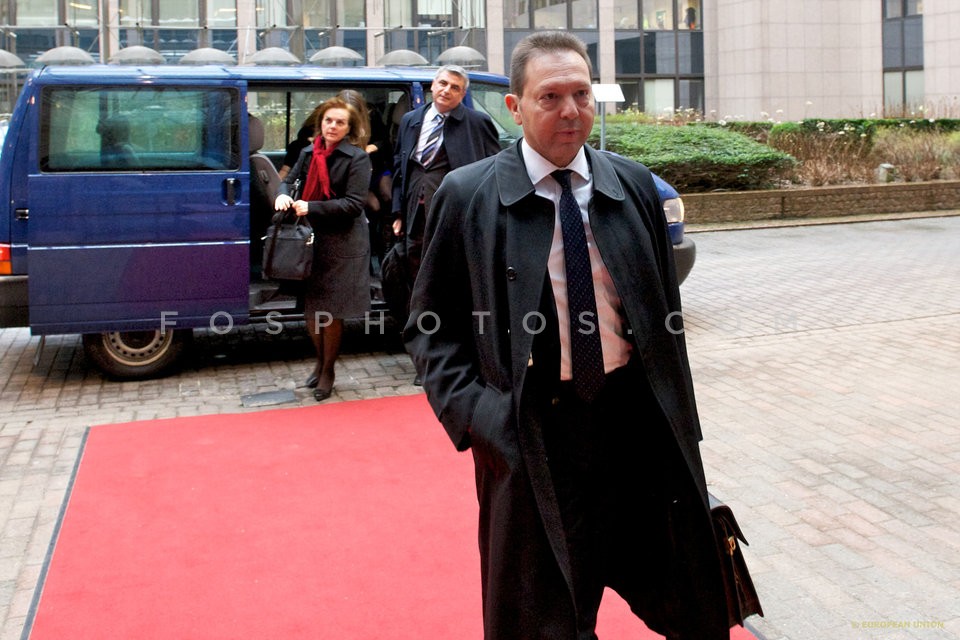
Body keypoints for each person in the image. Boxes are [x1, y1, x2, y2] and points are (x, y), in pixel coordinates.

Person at [404, 31, 731, 639]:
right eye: (550, 97)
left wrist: (683, 424)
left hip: (632, 423)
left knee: (677, 590)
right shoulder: (469, 195)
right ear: (515, 106)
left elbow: (666, 317)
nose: (571, 111)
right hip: (532, 432)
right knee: (547, 614)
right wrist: (480, 416)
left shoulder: (633, 184)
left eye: (581, 94)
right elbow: (430, 326)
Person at [275, 97, 372, 401]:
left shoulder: (356, 158)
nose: (333, 126)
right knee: (312, 309)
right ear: (321, 123)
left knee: (330, 312)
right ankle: (319, 363)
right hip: (309, 241)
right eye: (329, 120)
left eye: (340, 122)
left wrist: (311, 206)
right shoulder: (307, 152)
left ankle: (328, 370)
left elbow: (354, 205)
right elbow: (287, 181)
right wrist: (282, 195)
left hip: (342, 243)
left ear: (348, 128)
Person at [390, 64, 501, 319]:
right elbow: (399, 168)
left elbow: (495, 169)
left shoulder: (477, 123)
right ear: (433, 85)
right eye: (443, 83)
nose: (447, 90)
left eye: (455, 87)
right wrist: (397, 212)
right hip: (415, 211)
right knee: (416, 264)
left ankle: (452, 324)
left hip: (456, 213)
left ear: (462, 94)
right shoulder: (410, 120)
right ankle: (423, 322)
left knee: (452, 268)